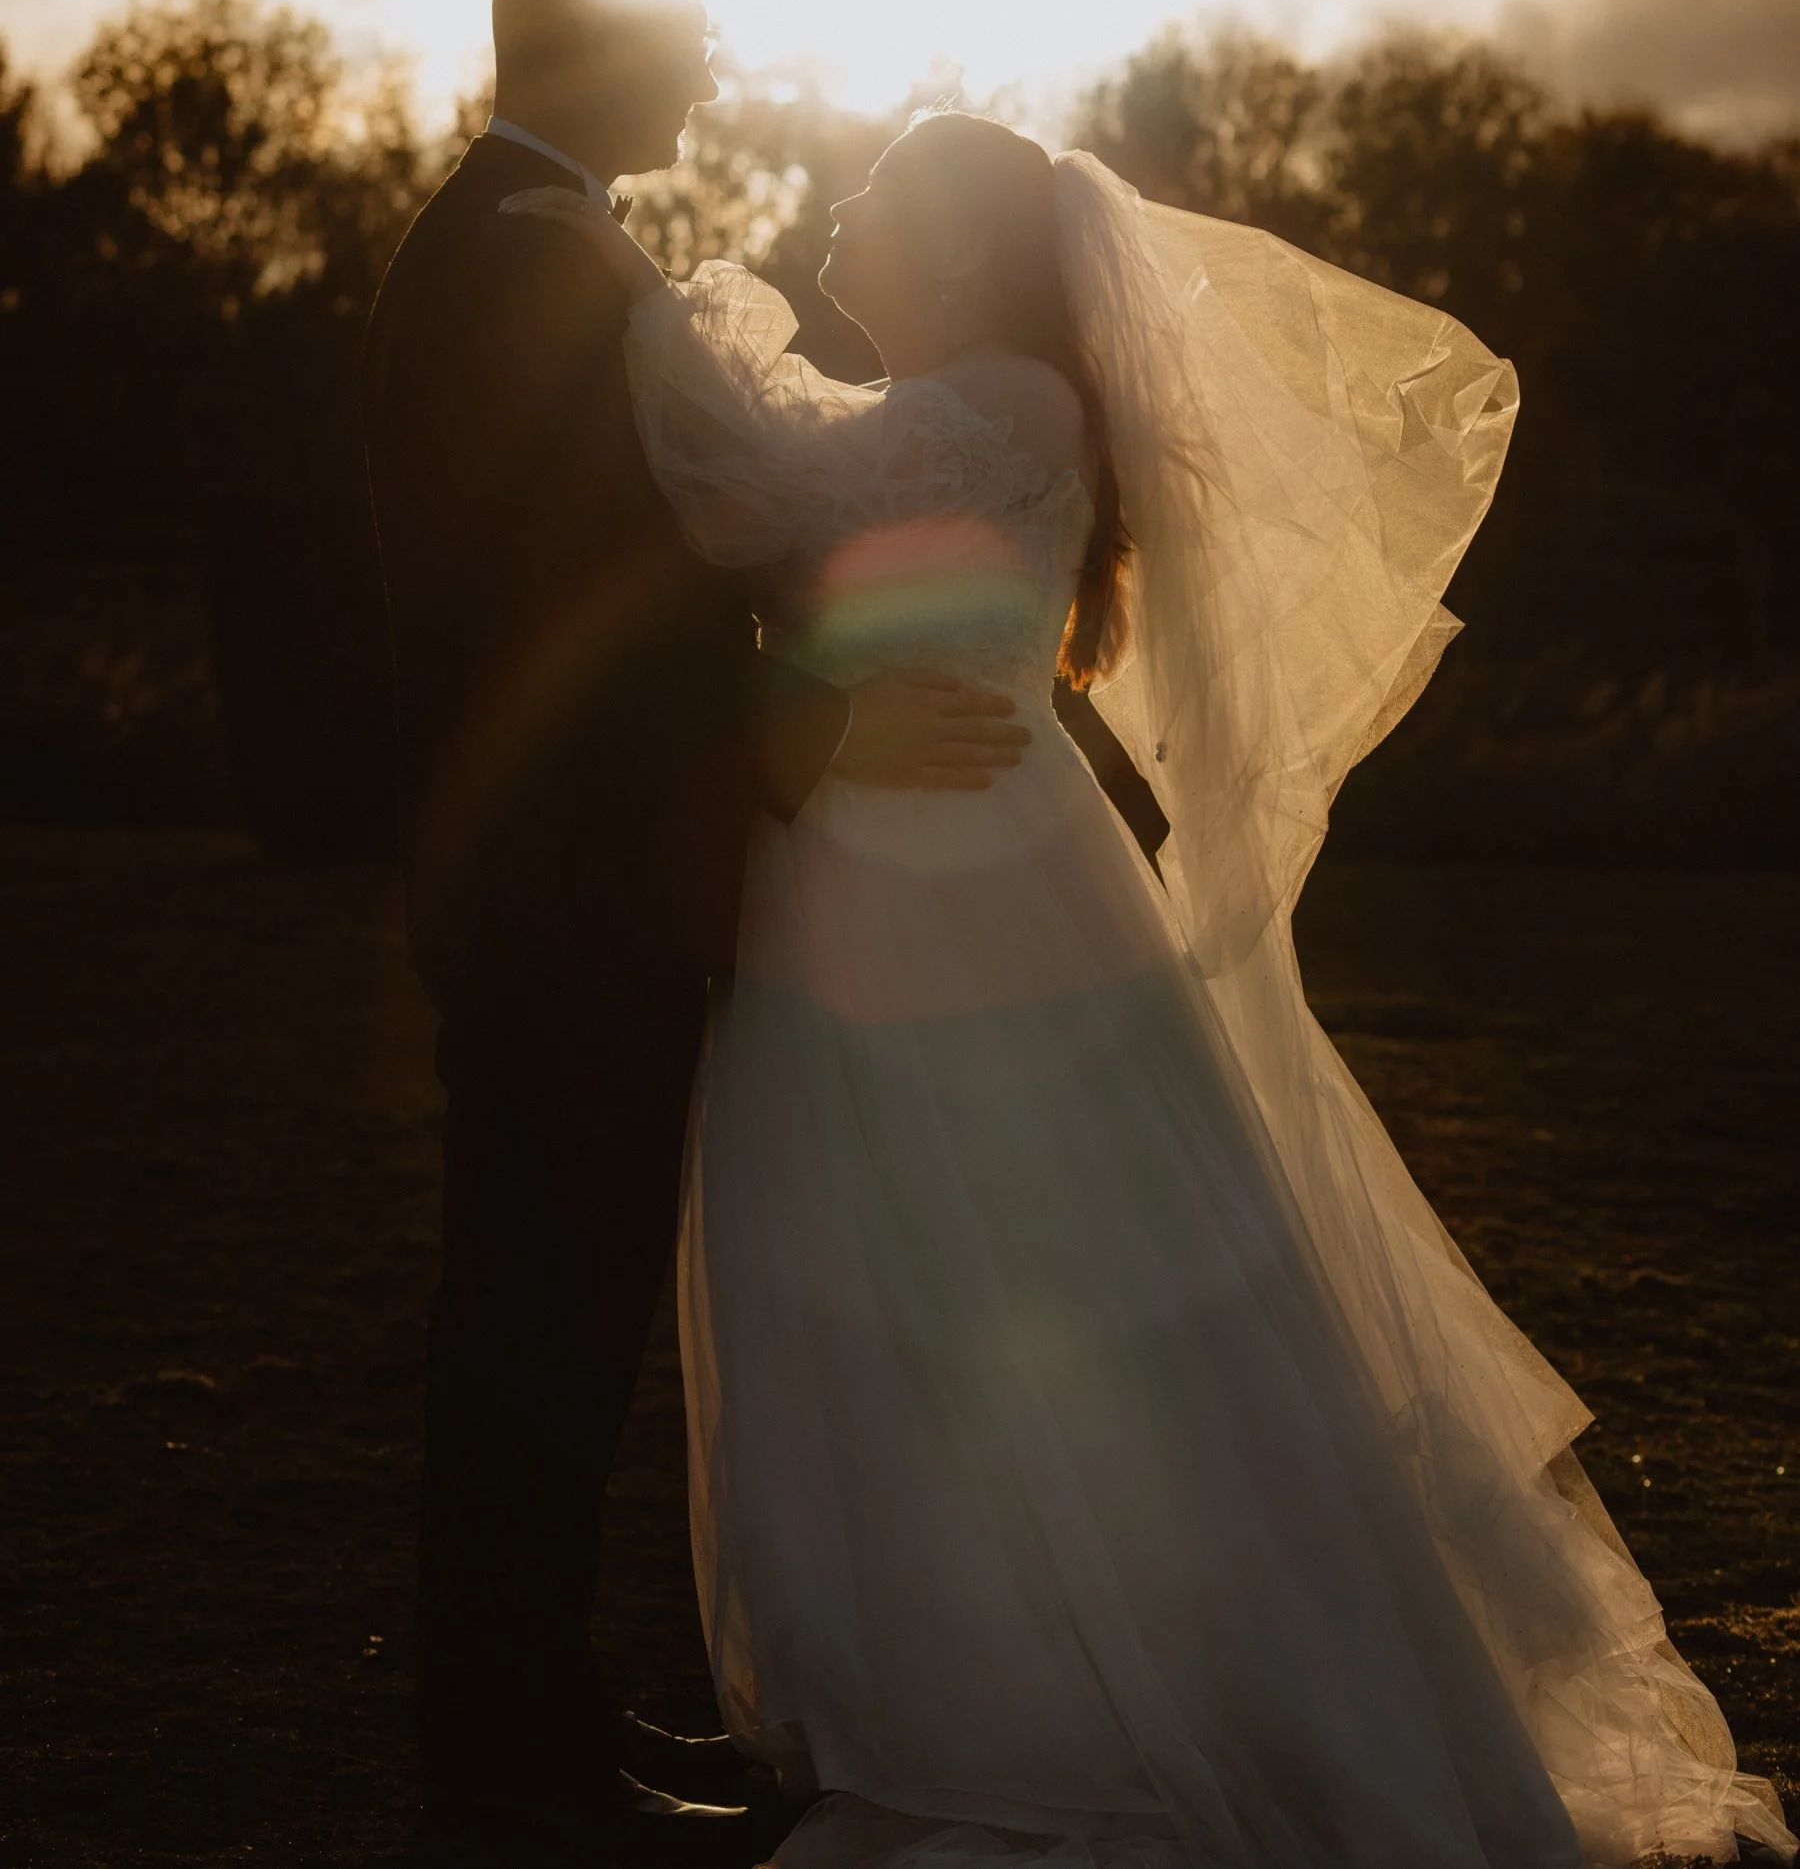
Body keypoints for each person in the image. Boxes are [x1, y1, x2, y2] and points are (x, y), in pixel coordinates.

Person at [504, 109, 1794, 1869]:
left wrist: (633, 301)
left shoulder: (1013, 405)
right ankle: (940, 1663)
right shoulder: (948, 406)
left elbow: (745, 472)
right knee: (879, 1270)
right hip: (855, 880)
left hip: (968, 899)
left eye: (882, 189)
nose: (843, 206)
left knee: (1027, 1265)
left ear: (957, 252)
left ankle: (1081, 1685)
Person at [361, 0, 1033, 1864]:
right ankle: (505, 1753)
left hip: (576, 885)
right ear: (586, 49)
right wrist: (794, 726)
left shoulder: (532, 243)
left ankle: (533, 1715)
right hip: (572, 892)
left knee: (546, 1310)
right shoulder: (522, 264)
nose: (717, 70)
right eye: (689, 38)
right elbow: (587, 611)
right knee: (534, 1317)